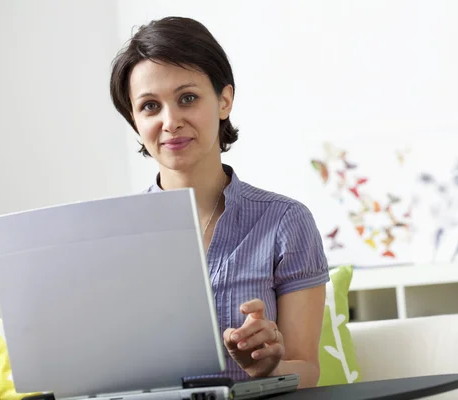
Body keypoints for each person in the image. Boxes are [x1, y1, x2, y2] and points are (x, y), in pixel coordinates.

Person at [109, 16, 329, 389]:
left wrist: (268, 369)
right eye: (149, 106)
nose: (170, 121)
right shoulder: (111, 234)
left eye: (188, 98)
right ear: (134, 119)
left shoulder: (286, 222)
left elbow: (307, 369)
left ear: (224, 100)